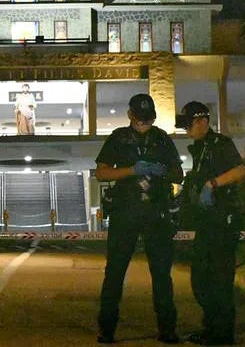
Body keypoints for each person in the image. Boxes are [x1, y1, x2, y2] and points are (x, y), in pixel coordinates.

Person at [95, 93, 183, 344]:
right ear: (130, 115)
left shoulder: (161, 138)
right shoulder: (118, 138)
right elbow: (101, 172)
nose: (144, 124)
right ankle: (107, 329)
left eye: (148, 119)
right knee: (114, 272)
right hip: (125, 211)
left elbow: (178, 174)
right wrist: (131, 171)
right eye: (140, 119)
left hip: (156, 211)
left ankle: (167, 329)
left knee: (162, 274)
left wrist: (163, 172)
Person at [180, 101, 245, 345]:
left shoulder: (221, 144)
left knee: (219, 280)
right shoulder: (200, 149)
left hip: (222, 221)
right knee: (201, 280)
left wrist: (213, 184)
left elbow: (240, 170)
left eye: (189, 125)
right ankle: (211, 329)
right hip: (206, 223)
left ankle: (223, 335)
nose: (187, 131)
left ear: (202, 122)